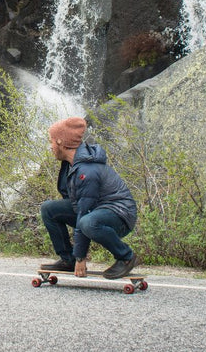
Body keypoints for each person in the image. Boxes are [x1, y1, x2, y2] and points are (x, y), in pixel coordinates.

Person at [39, 116, 139, 279]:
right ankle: (67, 260)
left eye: (51, 141)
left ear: (60, 142)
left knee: (87, 221)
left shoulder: (87, 171)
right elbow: (77, 205)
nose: (50, 147)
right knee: (49, 209)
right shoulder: (70, 165)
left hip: (119, 215)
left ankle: (126, 257)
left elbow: (84, 212)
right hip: (95, 211)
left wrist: (81, 257)